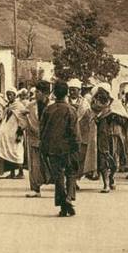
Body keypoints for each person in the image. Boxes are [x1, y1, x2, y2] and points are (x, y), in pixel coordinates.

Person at [40, 82, 79, 217]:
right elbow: (74, 131)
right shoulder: (71, 110)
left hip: (52, 148)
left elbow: (43, 131)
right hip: (68, 147)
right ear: (67, 93)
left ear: (54, 93)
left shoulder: (48, 110)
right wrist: (76, 146)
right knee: (71, 173)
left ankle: (63, 204)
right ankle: (69, 197)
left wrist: (43, 147)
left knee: (58, 177)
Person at [90, 88, 127, 193]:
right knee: (103, 160)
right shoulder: (94, 107)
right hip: (101, 137)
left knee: (114, 161)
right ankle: (106, 183)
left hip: (114, 137)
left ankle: (111, 177)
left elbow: (125, 120)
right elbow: (91, 120)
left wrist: (115, 116)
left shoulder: (116, 106)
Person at [22, 80, 52, 198]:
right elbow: (23, 118)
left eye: (38, 92)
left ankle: (59, 186)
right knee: (34, 164)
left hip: (49, 139)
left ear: (45, 93)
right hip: (34, 137)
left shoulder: (52, 105)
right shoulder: (30, 106)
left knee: (50, 163)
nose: (36, 94)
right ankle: (35, 188)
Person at [0, 87, 25, 178]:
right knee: (9, 151)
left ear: (15, 95)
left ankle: (20, 172)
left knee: (17, 151)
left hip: (16, 131)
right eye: (7, 94)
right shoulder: (8, 105)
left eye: (10, 94)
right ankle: (12, 173)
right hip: (8, 133)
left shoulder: (19, 105)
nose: (9, 96)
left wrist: (20, 131)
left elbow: (23, 119)